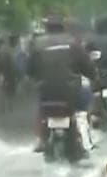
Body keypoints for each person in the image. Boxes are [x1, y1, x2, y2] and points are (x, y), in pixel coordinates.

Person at [26, 14, 98, 153]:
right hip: (71, 94)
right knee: (86, 102)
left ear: (46, 27)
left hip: (46, 93)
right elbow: (88, 68)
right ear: (62, 27)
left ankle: (41, 139)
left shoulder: (37, 45)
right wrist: (94, 77)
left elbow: (29, 70)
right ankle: (85, 136)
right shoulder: (73, 43)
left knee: (41, 108)